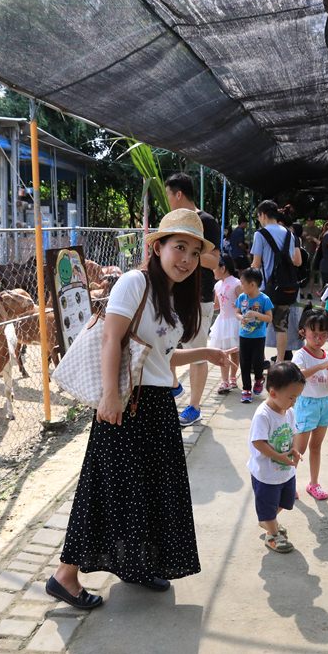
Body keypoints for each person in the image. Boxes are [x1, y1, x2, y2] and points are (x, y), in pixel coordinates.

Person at [47, 208, 235, 608]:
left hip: (157, 405)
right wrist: (110, 399)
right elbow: (110, 341)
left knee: (150, 492)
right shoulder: (135, 282)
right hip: (127, 405)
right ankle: (65, 576)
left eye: (192, 251)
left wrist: (208, 353)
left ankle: (136, 565)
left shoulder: (174, 295)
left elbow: (161, 359)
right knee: (104, 490)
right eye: (177, 247)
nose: (184, 259)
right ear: (158, 246)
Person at [164, 173, 221, 428]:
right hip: (171, 295)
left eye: (169, 196)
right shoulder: (171, 222)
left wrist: (190, 255)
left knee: (196, 352)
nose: (168, 201)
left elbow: (214, 261)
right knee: (165, 347)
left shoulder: (206, 221)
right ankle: (174, 388)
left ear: (178, 194)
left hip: (198, 297)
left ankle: (195, 407)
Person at [247, 361, 305, 553]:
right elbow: (258, 442)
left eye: (296, 397)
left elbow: (294, 432)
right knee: (268, 505)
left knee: (285, 502)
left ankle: (267, 520)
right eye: (291, 397)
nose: (294, 402)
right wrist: (278, 455)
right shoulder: (263, 415)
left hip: (285, 472)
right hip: (266, 474)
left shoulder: (288, 411)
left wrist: (295, 450)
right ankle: (272, 534)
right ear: (273, 393)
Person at [291, 307, 328, 501]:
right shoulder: (300, 355)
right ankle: (288, 483)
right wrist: (319, 366)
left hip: (324, 404)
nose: (318, 339)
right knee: (298, 449)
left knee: (316, 447)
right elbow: (298, 374)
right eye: (314, 334)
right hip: (306, 404)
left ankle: (314, 483)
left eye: (323, 335)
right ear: (303, 331)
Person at [250, 200, 302, 370]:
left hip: (266, 289)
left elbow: (256, 264)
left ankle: (258, 360)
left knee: (258, 325)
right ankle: (280, 362)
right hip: (285, 288)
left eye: (259, 217)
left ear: (263, 215)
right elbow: (296, 261)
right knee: (281, 326)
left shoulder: (260, 234)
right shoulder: (289, 234)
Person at [235, 267, 274, 403]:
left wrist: (256, 314)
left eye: (242, 283)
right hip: (244, 335)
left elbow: (269, 318)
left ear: (252, 284)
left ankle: (259, 378)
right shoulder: (242, 297)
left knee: (257, 362)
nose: (241, 286)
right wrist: (241, 318)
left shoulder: (264, 299)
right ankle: (246, 389)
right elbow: (237, 312)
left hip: (258, 337)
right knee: (244, 363)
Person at [209, 255, 242, 394]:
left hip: (234, 321)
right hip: (222, 322)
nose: (213, 271)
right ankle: (225, 381)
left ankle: (233, 377)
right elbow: (217, 305)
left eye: (215, 268)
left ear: (223, 268)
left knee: (235, 352)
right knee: (223, 352)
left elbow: (243, 302)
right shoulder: (217, 285)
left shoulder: (237, 283)